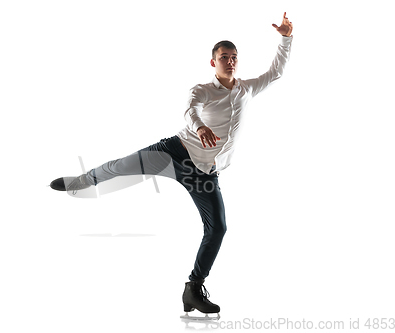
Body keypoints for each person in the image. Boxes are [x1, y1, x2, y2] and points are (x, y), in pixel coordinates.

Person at [50, 12, 293, 319]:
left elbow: (276, 72)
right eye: (223, 57)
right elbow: (191, 110)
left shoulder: (247, 89)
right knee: (123, 166)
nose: (229, 62)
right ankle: (82, 181)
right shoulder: (202, 89)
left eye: (233, 57)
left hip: (203, 172)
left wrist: (286, 38)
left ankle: (193, 289)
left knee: (217, 228)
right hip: (175, 152)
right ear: (213, 62)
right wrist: (200, 127)